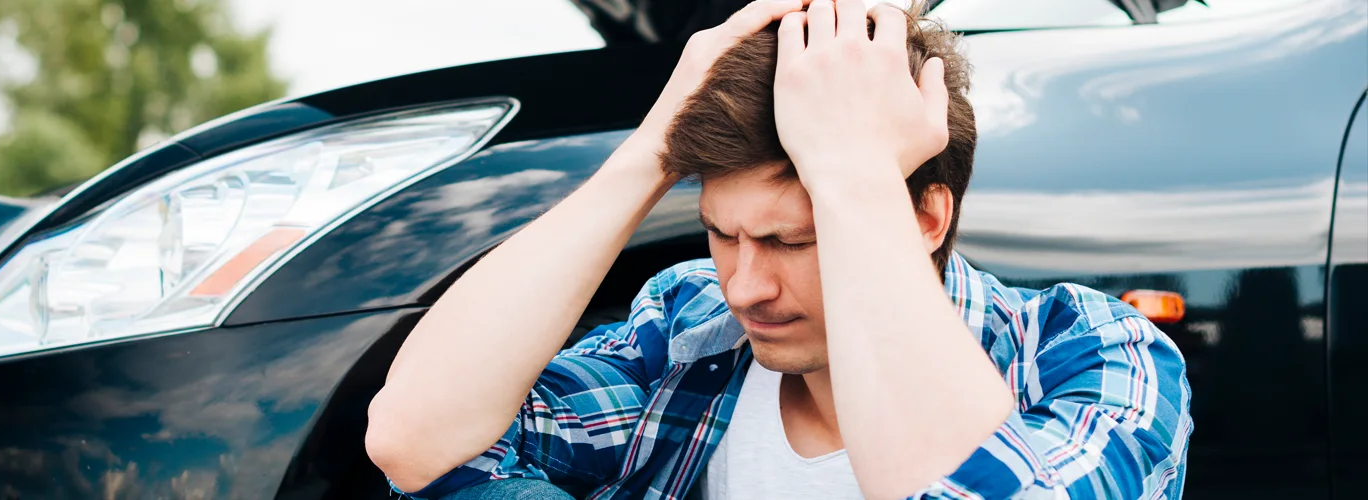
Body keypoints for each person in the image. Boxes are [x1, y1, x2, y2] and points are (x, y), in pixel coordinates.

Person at [363, 0, 1193, 499]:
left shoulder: (1093, 352)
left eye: (792, 240)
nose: (745, 287)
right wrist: (651, 149)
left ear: (925, 218)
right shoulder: (689, 330)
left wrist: (855, 175)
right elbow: (419, 439)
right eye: (722, 235)